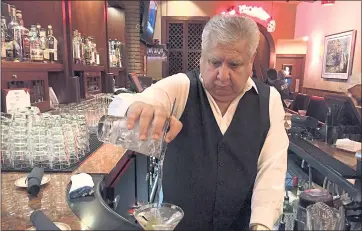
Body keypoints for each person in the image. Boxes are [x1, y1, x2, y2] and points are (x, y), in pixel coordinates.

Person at [109, 15, 288, 231]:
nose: (222, 75)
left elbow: (272, 170)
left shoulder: (269, 101)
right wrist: (137, 107)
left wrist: (262, 225)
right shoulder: (181, 88)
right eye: (214, 62)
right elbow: (122, 103)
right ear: (202, 59)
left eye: (234, 64)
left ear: (250, 63)